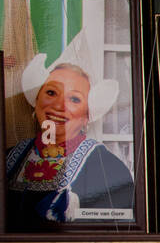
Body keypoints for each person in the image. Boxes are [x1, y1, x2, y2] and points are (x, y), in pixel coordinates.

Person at [6, 55, 133, 228]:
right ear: (36, 101)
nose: (59, 106)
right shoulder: (9, 158)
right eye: (51, 93)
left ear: (87, 116)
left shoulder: (109, 169)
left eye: (74, 99)